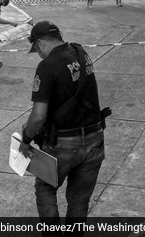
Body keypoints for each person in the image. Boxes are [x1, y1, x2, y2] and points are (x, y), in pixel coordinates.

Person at [19, 21, 107, 236]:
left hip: (64, 143)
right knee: (79, 200)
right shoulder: (81, 53)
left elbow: (38, 116)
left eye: (37, 50)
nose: (39, 55)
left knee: (45, 188)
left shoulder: (47, 66)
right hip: (94, 138)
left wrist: (26, 139)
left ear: (40, 43)